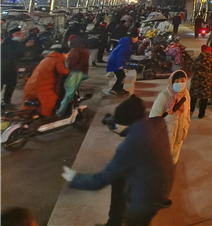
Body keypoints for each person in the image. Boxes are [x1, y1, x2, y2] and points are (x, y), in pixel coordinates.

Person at [62, 95, 174, 226]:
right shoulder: (158, 124)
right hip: (163, 187)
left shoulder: (131, 145)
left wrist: (75, 178)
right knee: (119, 179)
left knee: (135, 220)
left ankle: (118, 222)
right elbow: (135, 130)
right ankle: (114, 223)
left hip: (143, 203)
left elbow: (100, 180)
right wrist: (116, 122)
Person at [149, 71, 190, 164]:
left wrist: (186, 127)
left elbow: (187, 113)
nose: (180, 84)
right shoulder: (164, 96)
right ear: (171, 82)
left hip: (179, 132)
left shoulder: (186, 95)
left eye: (182, 81)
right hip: (165, 135)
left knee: (175, 152)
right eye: (177, 81)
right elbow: (153, 119)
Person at [22, 44, 70, 117]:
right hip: (43, 87)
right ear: (63, 53)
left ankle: (25, 115)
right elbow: (63, 71)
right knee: (48, 102)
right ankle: (46, 119)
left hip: (31, 86)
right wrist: (72, 72)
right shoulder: (58, 59)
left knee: (28, 103)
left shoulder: (46, 59)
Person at [2, 27, 35, 107]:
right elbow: (13, 53)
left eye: (20, 34)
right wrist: (24, 46)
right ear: (11, 35)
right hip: (3, 68)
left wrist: (27, 46)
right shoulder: (6, 43)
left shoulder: (17, 42)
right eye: (17, 34)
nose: (19, 36)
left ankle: (6, 101)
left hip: (11, 67)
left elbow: (20, 53)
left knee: (11, 84)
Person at [57, 36, 90, 116]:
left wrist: (65, 61)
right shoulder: (84, 49)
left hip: (75, 73)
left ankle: (60, 113)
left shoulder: (75, 50)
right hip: (82, 72)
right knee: (71, 92)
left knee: (68, 94)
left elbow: (71, 63)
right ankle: (70, 107)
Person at [189, 45, 212, 119]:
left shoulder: (196, 59)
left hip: (196, 81)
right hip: (206, 82)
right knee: (204, 98)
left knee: (193, 97)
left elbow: (192, 68)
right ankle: (201, 114)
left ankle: (190, 112)